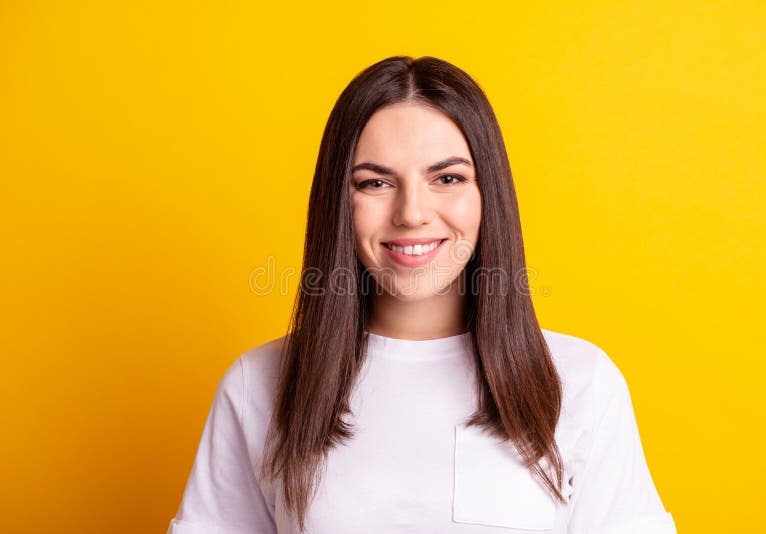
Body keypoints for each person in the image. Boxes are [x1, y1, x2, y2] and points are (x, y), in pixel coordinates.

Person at [167, 55, 677, 534]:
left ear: (488, 195)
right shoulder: (259, 386)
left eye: (447, 177)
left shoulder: (582, 385)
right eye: (375, 183)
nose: (412, 212)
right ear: (337, 202)